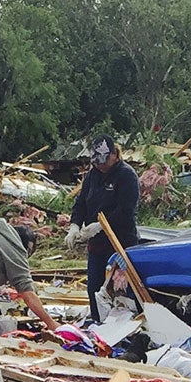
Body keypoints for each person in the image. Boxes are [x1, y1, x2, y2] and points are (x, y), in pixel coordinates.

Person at [67, 134, 140, 315]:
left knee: (120, 290)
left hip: (120, 244)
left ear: (114, 154)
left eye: (104, 161)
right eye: (97, 162)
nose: (101, 166)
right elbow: (81, 203)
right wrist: (74, 226)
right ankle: (97, 324)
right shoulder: (93, 176)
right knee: (94, 289)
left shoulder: (126, 175)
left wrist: (100, 225)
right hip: (97, 247)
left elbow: (126, 211)